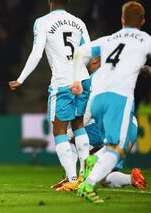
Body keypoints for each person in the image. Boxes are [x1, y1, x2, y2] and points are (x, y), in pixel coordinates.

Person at [8, 0, 91, 191]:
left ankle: (72, 180)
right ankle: (84, 176)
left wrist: (21, 79)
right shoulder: (79, 23)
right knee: (79, 125)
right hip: (82, 80)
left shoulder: (42, 22)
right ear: (68, 2)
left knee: (60, 131)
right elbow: (89, 52)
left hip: (62, 83)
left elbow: (36, 53)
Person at [71, 1, 151, 203]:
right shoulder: (145, 39)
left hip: (97, 99)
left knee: (112, 146)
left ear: (122, 20)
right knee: (118, 148)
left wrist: (76, 80)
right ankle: (88, 184)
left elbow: (80, 52)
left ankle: (93, 160)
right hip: (120, 98)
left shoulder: (110, 39)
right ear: (142, 21)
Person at [51, 57, 147, 190]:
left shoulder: (93, 79)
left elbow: (88, 111)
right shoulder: (115, 71)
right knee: (105, 176)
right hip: (131, 128)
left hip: (110, 127)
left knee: (69, 139)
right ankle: (131, 178)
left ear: (95, 60)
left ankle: (71, 179)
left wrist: (71, 132)